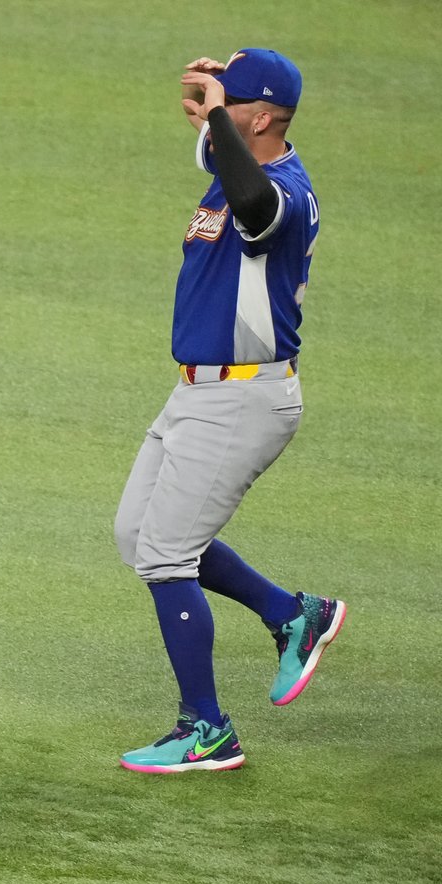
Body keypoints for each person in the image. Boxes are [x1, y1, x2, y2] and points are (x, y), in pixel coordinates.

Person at [113, 50, 346, 773]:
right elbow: (222, 157)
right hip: (198, 390)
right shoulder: (233, 159)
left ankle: (206, 729)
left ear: (264, 119)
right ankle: (292, 614)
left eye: (232, 100)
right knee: (137, 533)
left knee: (166, 552)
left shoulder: (282, 192)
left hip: (245, 396)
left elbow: (253, 203)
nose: (213, 107)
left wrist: (221, 114)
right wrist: (218, 107)